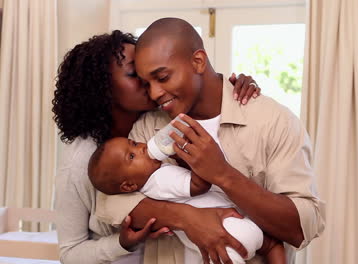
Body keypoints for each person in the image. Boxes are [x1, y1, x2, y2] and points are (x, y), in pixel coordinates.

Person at [96, 18, 325, 264]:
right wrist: (187, 217)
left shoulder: (274, 121)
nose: (154, 93)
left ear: (198, 61)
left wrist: (223, 175)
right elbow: (112, 202)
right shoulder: (148, 126)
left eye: (162, 77)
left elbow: (303, 225)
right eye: (146, 84)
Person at [52, 30, 262, 264]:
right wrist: (122, 244)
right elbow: (69, 253)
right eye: (136, 74)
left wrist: (235, 89)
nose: (148, 80)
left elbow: (203, 85)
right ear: (103, 89)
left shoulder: (160, 118)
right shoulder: (80, 161)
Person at [88, 137, 286, 264]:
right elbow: (199, 185)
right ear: (129, 186)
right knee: (272, 244)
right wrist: (190, 157)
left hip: (217, 240)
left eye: (133, 142)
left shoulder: (151, 191)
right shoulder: (160, 178)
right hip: (229, 228)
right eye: (132, 156)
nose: (141, 147)